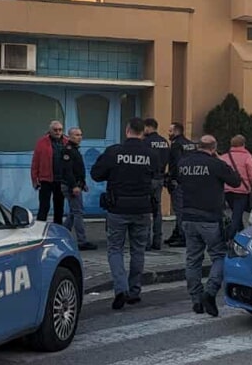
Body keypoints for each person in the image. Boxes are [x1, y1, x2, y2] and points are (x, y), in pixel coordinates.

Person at [90, 117, 160, 309]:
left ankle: (121, 289)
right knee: (138, 250)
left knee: (115, 249)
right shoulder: (151, 154)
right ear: (143, 132)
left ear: (127, 130)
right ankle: (134, 291)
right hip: (142, 208)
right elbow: (156, 176)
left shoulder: (114, 152)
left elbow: (96, 174)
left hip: (118, 208)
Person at [176, 135, 242, 315]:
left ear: (198, 146)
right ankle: (210, 292)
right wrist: (220, 160)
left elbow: (179, 181)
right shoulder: (216, 164)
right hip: (210, 219)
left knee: (192, 259)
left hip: (188, 217)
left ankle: (196, 299)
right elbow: (235, 181)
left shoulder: (184, 163)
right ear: (213, 148)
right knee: (219, 255)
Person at [61, 127, 97, 251]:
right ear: (69, 136)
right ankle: (82, 241)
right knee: (78, 213)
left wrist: (83, 184)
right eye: (76, 135)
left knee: (73, 212)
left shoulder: (75, 149)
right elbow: (68, 171)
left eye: (80, 135)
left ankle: (61, 234)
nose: (79, 137)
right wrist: (74, 186)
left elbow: (78, 170)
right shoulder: (68, 150)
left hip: (76, 185)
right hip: (70, 186)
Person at [221, 134, 252, 239]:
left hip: (227, 190)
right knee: (237, 216)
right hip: (242, 191)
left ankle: (241, 236)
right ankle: (230, 236)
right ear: (243, 144)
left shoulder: (224, 157)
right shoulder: (247, 157)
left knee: (236, 214)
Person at [165, 121, 196, 247]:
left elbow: (176, 164)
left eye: (170, 131)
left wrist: (171, 178)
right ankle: (177, 233)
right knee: (185, 209)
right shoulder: (190, 144)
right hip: (191, 181)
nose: (168, 133)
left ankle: (182, 237)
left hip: (179, 182)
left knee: (179, 210)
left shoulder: (176, 145)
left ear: (177, 131)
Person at [31, 120, 68, 223]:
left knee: (59, 207)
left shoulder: (66, 142)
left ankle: (58, 227)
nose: (58, 132)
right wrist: (34, 179)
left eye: (60, 130)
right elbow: (35, 161)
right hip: (46, 179)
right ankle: (40, 227)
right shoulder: (42, 142)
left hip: (61, 180)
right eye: (55, 130)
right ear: (50, 130)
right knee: (44, 206)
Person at [144, 118, 172, 251]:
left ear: (149, 127)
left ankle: (146, 242)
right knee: (157, 210)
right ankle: (157, 241)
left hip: (148, 179)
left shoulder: (146, 142)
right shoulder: (164, 142)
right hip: (160, 178)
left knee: (146, 209)